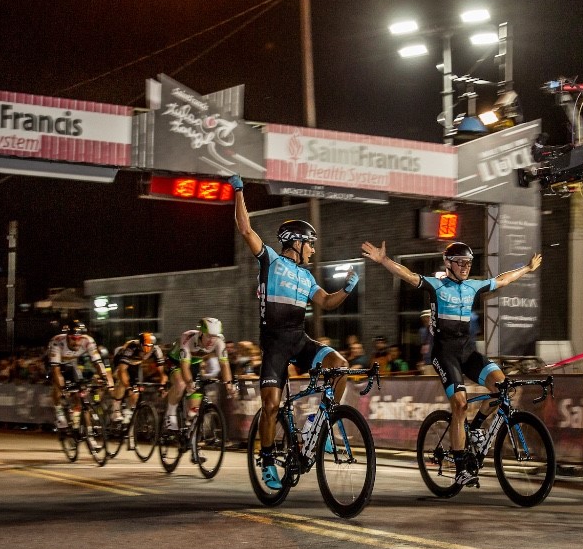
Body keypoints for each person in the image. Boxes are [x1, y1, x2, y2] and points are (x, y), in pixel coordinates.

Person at [361, 238, 541, 487]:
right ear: (448, 263)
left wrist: (527, 268)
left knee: (503, 387)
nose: (465, 267)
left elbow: (502, 279)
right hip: (444, 353)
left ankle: (476, 427)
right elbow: (410, 276)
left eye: (468, 263)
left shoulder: (473, 286)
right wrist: (383, 261)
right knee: (460, 404)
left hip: (468, 352)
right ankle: (460, 467)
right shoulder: (437, 285)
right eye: (460, 263)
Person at [230, 174, 358, 490]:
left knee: (339, 366)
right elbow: (246, 229)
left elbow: (327, 302)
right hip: (274, 343)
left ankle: (320, 425)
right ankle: (268, 459)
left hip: (299, 339)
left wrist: (347, 289)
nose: (313, 251)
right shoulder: (271, 260)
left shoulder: (307, 277)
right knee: (271, 406)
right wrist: (238, 191)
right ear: (297, 243)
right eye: (310, 245)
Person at [166, 318, 235, 431]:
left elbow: (224, 365)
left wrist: (228, 384)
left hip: (194, 363)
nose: (211, 340)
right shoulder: (188, 338)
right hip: (176, 361)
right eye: (208, 336)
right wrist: (189, 382)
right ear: (201, 333)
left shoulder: (220, 342)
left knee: (194, 408)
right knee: (181, 384)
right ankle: (170, 413)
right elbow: (184, 366)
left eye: (215, 336)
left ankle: (189, 427)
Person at [46, 320, 114, 430]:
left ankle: (76, 418)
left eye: (79, 338)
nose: (77, 342)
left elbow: (98, 362)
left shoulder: (88, 341)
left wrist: (105, 378)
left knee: (79, 389)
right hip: (56, 363)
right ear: (67, 336)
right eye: (73, 338)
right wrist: (62, 388)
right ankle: (59, 413)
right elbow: (56, 370)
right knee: (58, 385)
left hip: (72, 362)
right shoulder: (57, 342)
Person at [110, 332, 167, 423]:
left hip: (136, 363)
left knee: (135, 392)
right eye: (143, 348)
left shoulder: (156, 350)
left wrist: (162, 386)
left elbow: (162, 373)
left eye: (150, 348)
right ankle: (115, 409)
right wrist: (128, 388)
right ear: (140, 344)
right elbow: (122, 370)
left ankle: (128, 411)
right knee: (123, 380)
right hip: (121, 361)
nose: (146, 352)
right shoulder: (132, 347)